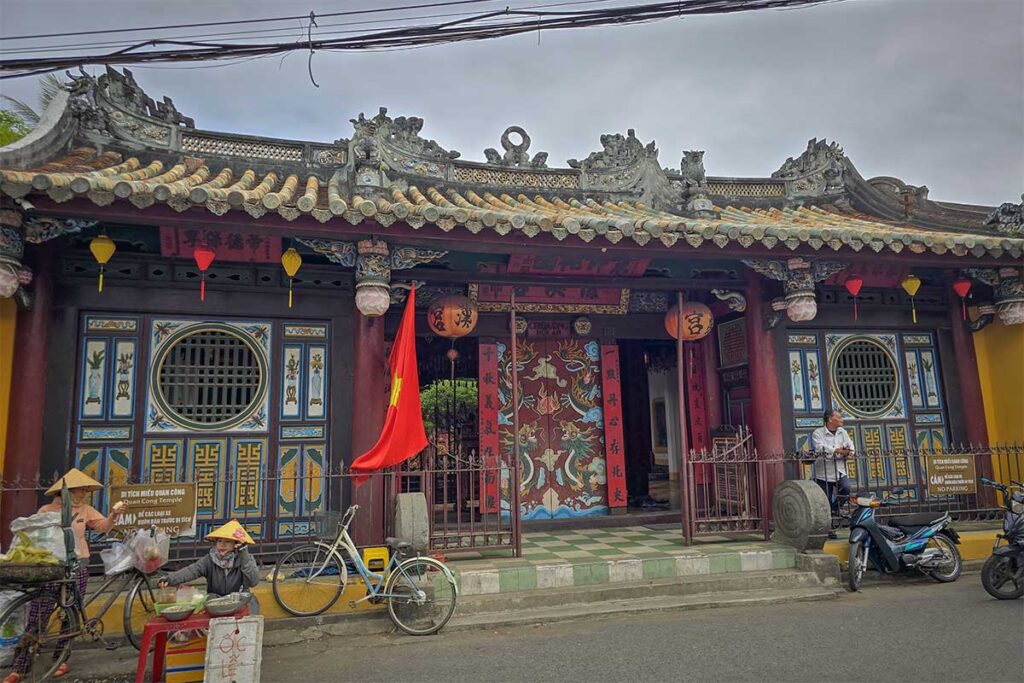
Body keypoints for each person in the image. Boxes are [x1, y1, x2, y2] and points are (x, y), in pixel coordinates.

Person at [4, 468, 125, 683]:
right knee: (39, 612)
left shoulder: (86, 510)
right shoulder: (46, 510)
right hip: (51, 566)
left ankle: (62, 659)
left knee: (70, 613)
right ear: (65, 492)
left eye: (85, 491)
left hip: (78, 564)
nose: (83, 495)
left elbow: (103, 527)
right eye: (80, 491)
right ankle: (20, 667)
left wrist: (114, 515)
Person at [158, 520, 261, 614]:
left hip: (239, 598)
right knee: (209, 601)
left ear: (236, 544)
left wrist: (244, 554)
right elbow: (192, 570)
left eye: (228, 541)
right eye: (219, 541)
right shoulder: (209, 560)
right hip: (216, 599)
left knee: (252, 601)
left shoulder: (245, 559)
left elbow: (254, 581)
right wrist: (170, 579)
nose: (222, 545)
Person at [810, 409, 854, 539]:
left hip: (840, 470)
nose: (842, 420)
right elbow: (820, 448)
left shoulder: (842, 432)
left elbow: (851, 447)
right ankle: (829, 529)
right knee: (825, 501)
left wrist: (847, 452)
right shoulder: (818, 433)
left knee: (846, 489)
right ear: (830, 419)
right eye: (839, 418)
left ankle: (835, 509)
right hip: (823, 473)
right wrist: (836, 450)